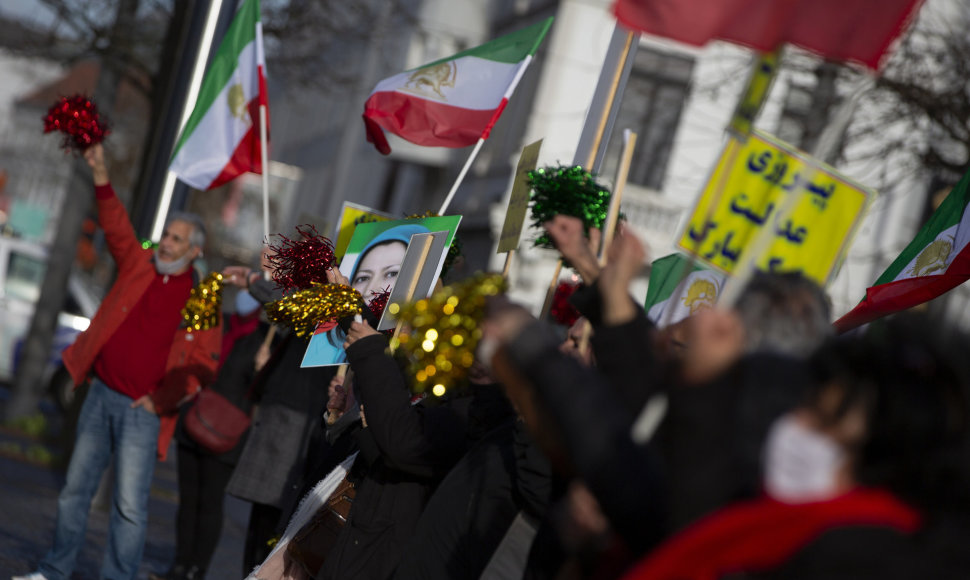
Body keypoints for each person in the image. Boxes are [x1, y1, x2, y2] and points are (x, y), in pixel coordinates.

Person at [622, 315, 970, 580]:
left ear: (883, 455)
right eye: (807, 407)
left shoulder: (850, 559)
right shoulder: (780, 523)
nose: (795, 427)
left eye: (823, 422)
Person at [14, 144, 221, 580]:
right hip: (101, 393)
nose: (166, 242)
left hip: (142, 413)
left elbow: (204, 362)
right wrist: (103, 174)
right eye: (166, 235)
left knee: (129, 508)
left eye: (176, 239)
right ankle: (54, 569)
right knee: (74, 491)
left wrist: (161, 399)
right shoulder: (140, 263)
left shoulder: (202, 297)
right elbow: (116, 227)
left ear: (195, 251)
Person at [148, 288, 267, 580]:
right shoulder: (221, 323)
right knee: (188, 499)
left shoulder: (266, 337)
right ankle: (180, 565)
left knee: (210, 502)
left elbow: (261, 390)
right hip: (194, 419)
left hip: (227, 431)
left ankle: (197, 570)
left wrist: (262, 368)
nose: (244, 297)